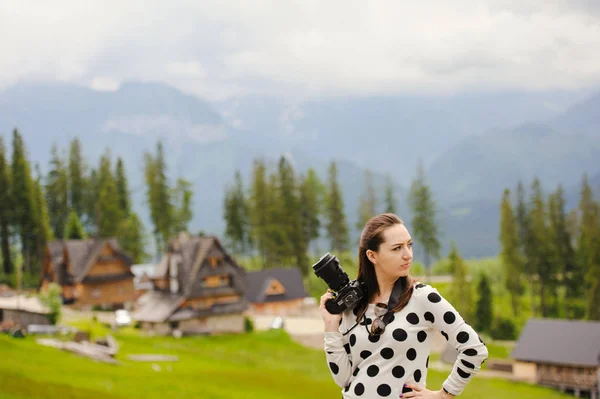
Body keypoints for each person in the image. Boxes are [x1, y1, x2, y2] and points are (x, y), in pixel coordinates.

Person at [320, 213, 488, 398]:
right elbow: (343, 379)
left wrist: (443, 394)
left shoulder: (423, 298)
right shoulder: (355, 304)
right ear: (372, 256)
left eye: (409, 245)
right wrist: (330, 326)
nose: (407, 255)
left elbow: (474, 349)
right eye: (397, 248)